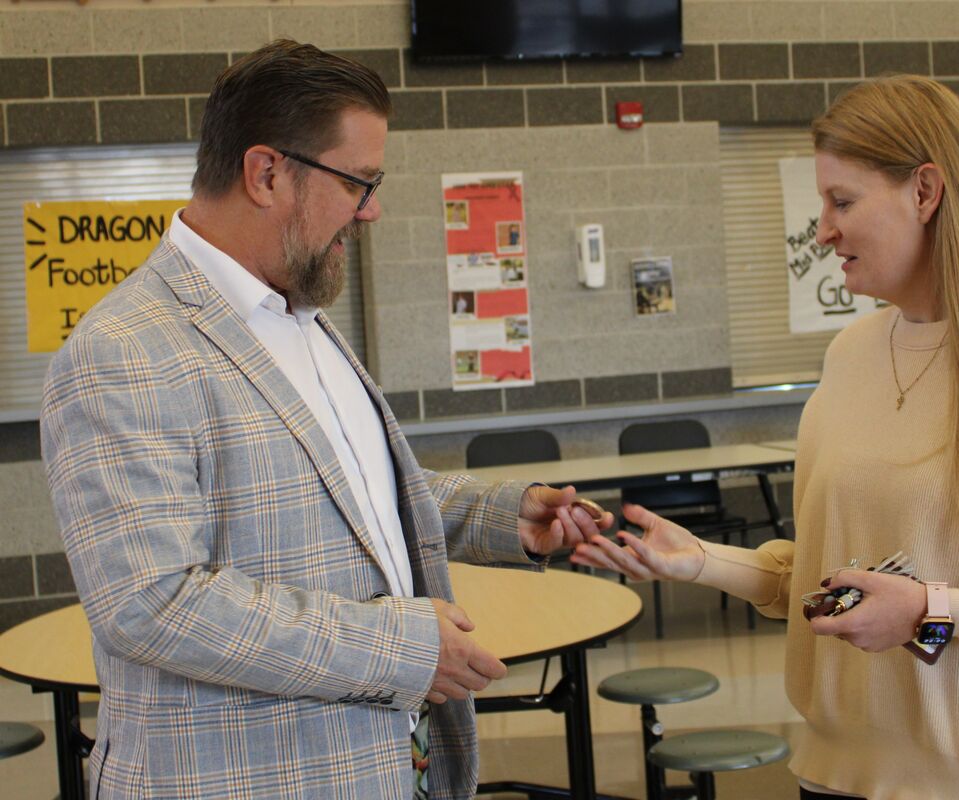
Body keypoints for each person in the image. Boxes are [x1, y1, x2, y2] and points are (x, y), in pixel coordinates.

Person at [572, 75, 959, 799]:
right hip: (834, 777)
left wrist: (932, 611)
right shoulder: (850, 355)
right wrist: (699, 562)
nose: (823, 230)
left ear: (925, 192)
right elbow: (836, 582)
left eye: (842, 202)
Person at [40, 40, 609, 800]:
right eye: (358, 182)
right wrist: (400, 647)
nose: (371, 209)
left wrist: (504, 517)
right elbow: (153, 603)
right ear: (267, 173)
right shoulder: (124, 350)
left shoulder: (298, 314)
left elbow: (348, 501)